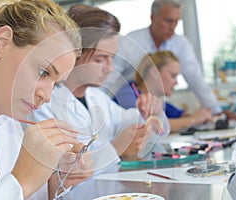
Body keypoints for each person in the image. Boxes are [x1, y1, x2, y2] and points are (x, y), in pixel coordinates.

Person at [0, 0, 93, 199]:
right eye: (43, 72)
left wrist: (54, 183)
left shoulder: (12, 129)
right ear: (2, 43)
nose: (46, 97)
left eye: (56, 84)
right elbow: (19, 187)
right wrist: (22, 181)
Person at [30, 4, 170, 168]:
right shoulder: (44, 105)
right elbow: (59, 175)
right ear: (74, 53)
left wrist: (154, 112)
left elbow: (152, 131)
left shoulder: (98, 98)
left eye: (112, 57)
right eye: (100, 59)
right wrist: (115, 150)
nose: (110, 68)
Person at [104, 0, 236, 120]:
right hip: (124, 103)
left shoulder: (181, 44)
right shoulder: (130, 43)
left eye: (177, 22)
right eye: (168, 21)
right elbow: (106, 80)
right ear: (153, 17)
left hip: (154, 104)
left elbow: (196, 79)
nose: (173, 27)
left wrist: (217, 113)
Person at [114, 51, 213, 133]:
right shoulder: (126, 95)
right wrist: (193, 120)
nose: (176, 82)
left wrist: (201, 115)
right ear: (154, 72)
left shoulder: (158, 102)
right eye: (172, 76)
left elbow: (179, 115)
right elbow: (149, 126)